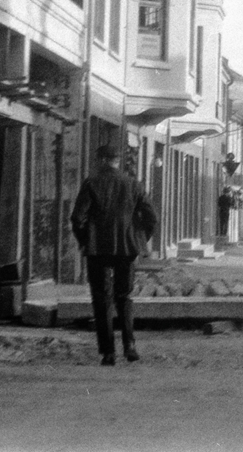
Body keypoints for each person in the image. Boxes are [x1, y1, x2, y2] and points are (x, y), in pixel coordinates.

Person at [71, 144, 157, 366]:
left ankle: (108, 352)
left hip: (97, 249)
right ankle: (130, 346)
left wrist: (85, 241)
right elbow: (151, 217)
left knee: (101, 298)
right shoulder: (133, 184)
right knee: (124, 296)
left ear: (101, 160)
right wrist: (138, 240)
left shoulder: (92, 183)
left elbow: (77, 218)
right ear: (119, 161)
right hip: (126, 249)